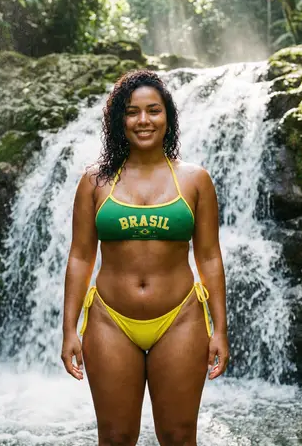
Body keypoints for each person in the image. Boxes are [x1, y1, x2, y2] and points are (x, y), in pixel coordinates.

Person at [61, 69, 229, 446]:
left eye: (153, 110)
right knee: (117, 437)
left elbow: (210, 257)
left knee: (179, 435)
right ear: (119, 120)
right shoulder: (94, 181)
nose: (143, 121)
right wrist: (69, 328)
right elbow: (80, 256)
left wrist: (220, 328)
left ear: (167, 116)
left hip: (181, 318)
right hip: (109, 320)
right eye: (132, 112)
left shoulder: (195, 179)